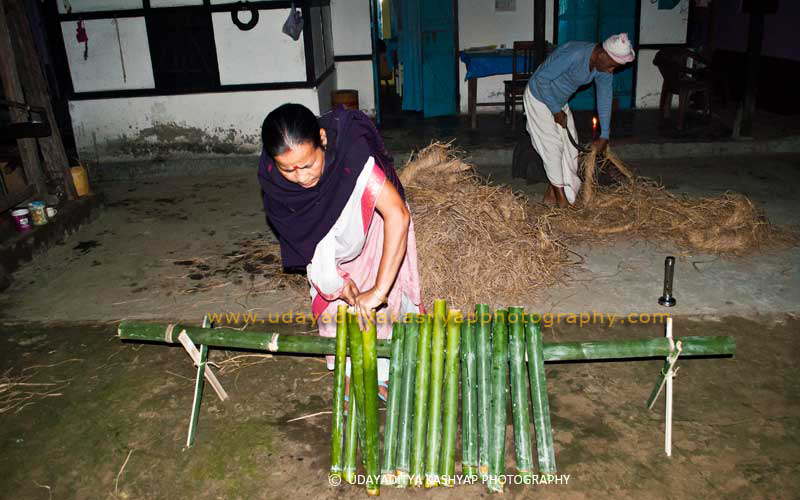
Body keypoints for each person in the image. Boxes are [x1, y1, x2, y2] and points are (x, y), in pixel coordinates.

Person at [258, 103, 422, 403]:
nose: (301, 177)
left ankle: (381, 374)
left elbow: (397, 214)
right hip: (326, 247)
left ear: (322, 139)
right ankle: (347, 373)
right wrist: (333, 279)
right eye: (288, 169)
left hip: (371, 226)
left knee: (381, 308)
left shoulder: (351, 155)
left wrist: (378, 291)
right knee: (335, 307)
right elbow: (301, 236)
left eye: (308, 165)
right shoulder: (273, 182)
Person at [524, 33, 636, 207]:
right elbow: (540, 80)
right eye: (612, 65)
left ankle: (551, 197)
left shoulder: (602, 68)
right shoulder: (574, 54)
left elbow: (605, 98)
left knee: (570, 150)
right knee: (553, 147)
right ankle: (562, 204)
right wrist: (555, 110)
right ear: (601, 55)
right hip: (539, 98)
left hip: (559, 103)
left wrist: (604, 134)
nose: (611, 70)